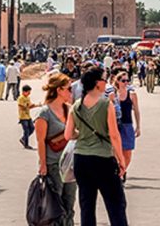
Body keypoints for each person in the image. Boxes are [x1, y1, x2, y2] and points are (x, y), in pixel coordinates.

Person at [64, 67, 128, 226]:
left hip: (81, 159)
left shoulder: (76, 105)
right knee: (115, 204)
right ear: (97, 84)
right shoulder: (106, 104)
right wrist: (121, 159)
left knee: (86, 205)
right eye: (104, 79)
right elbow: (114, 135)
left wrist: (84, 134)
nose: (106, 82)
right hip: (103, 158)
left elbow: (68, 135)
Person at [36, 72, 77, 226]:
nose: (71, 92)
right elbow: (40, 141)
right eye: (68, 89)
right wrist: (43, 165)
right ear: (59, 90)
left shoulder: (69, 109)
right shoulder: (44, 113)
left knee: (69, 204)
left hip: (70, 165)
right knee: (54, 206)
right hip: (53, 164)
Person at [112, 70, 140, 181]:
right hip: (116, 124)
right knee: (115, 152)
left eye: (127, 80)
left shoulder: (132, 94)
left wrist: (138, 126)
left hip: (128, 125)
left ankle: (123, 170)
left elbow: (136, 110)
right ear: (117, 81)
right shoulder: (113, 94)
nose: (126, 83)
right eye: (123, 80)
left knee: (127, 153)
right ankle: (117, 173)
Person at [18, 84, 39, 149]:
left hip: (28, 116)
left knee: (32, 128)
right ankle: (26, 144)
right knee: (26, 130)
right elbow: (21, 106)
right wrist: (28, 106)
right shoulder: (21, 98)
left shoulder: (28, 98)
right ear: (24, 91)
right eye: (28, 92)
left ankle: (23, 138)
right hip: (23, 117)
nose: (29, 93)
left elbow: (30, 106)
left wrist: (36, 105)